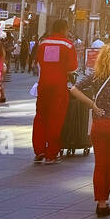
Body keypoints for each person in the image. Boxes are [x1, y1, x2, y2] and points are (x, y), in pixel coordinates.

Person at [69, 43, 110, 217]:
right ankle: (105, 201)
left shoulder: (95, 75)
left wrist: (92, 105)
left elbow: (74, 89)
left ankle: (101, 201)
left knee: (100, 164)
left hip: (99, 124)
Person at [33, 20, 78, 165]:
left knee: (40, 116)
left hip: (43, 84)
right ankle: (51, 153)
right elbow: (73, 67)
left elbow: (38, 61)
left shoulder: (43, 43)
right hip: (58, 85)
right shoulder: (68, 44)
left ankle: (39, 150)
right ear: (64, 28)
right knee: (56, 118)